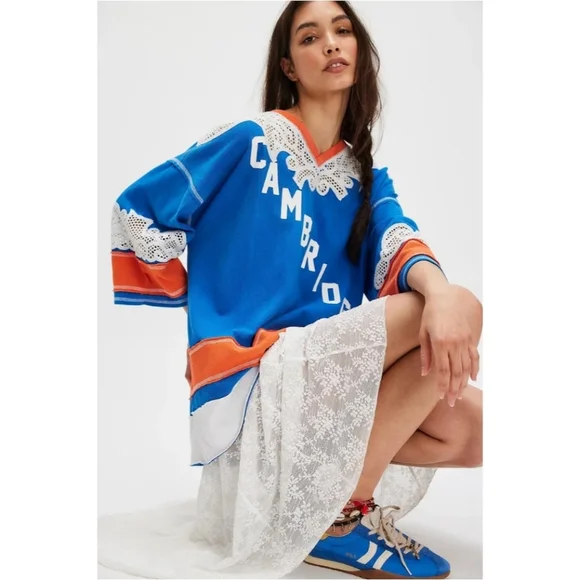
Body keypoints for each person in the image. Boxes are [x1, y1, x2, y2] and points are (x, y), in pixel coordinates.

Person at [106, 1, 482, 578]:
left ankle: (319, 490)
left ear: (358, 52)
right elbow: (137, 211)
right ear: (288, 66)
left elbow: (398, 241)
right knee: (439, 311)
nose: (330, 43)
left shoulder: (364, 176)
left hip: (320, 379)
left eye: (342, 30)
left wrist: (444, 296)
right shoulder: (251, 141)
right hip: (254, 373)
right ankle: (338, 520)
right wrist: (202, 304)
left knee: (474, 427)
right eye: (310, 37)